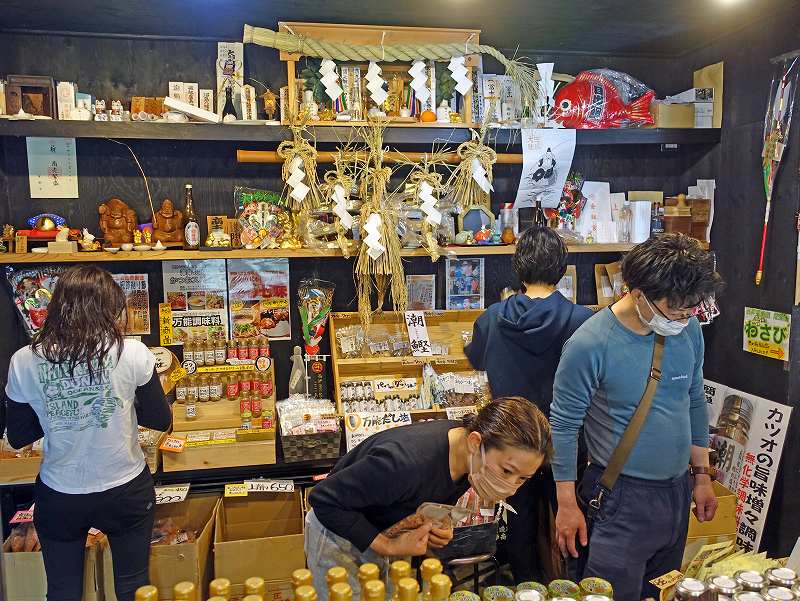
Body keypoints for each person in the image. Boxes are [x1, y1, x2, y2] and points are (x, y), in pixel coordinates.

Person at [550, 234, 723, 601]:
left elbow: (693, 399)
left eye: (689, 308)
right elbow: (564, 425)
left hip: (676, 493)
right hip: (619, 498)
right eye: (675, 309)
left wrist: (702, 476)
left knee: (661, 592)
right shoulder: (589, 344)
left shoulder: (688, 330)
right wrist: (566, 505)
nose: (683, 317)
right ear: (638, 292)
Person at [4, 266, 172, 601]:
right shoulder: (132, 352)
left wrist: (58, 413)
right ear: (111, 308)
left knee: (64, 590)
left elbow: (19, 435)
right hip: (125, 488)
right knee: (134, 586)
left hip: (60, 493)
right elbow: (159, 420)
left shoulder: (24, 360)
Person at [306, 397, 552, 600]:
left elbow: (424, 493)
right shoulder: (404, 462)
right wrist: (386, 545)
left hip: (386, 528)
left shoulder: (468, 454)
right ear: (476, 442)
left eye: (523, 478)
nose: (510, 487)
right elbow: (323, 499)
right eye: (507, 471)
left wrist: (435, 525)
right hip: (338, 530)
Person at [465, 225, 593, 582]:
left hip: (509, 444)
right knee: (569, 524)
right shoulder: (584, 322)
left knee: (516, 525)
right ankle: (573, 587)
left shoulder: (491, 318)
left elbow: (476, 359)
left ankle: (523, 587)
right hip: (565, 443)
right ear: (561, 268)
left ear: (518, 267)